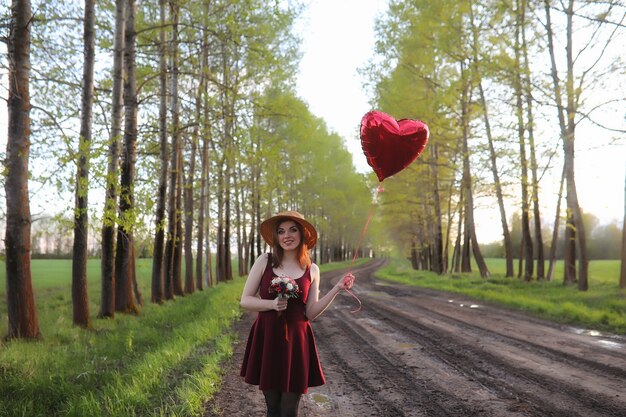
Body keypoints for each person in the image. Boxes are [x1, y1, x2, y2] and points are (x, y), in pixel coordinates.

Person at [240, 210, 354, 417]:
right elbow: (245, 300)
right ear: (276, 237)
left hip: (296, 342)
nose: (287, 235)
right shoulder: (264, 261)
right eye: (281, 231)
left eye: (293, 230)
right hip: (267, 338)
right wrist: (271, 305)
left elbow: (310, 312)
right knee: (273, 409)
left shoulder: (312, 269)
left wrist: (337, 288)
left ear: (302, 234)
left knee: (289, 410)